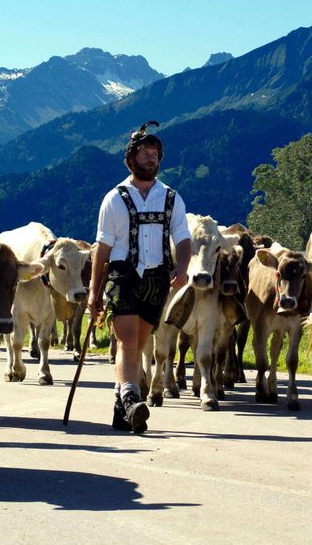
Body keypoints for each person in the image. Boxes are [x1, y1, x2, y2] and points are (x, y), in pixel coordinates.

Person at [88, 120, 191, 434]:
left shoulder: (171, 198)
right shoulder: (114, 198)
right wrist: (94, 291)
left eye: (155, 154)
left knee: (142, 341)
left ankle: (123, 408)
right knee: (128, 340)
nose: (151, 159)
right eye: (145, 153)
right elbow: (101, 249)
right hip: (123, 276)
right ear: (131, 159)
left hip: (158, 279)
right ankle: (133, 397)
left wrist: (183, 267)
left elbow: (183, 238)